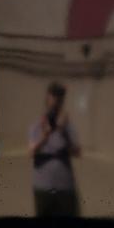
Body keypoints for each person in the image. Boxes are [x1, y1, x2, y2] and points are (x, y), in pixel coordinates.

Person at [28, 81, 80, 217]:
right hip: (43, 187)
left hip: (65, 186)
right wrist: (44, 137)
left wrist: (64, 132)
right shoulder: (36, 126)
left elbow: (77, 152)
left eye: (60, 98)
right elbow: (31, 152)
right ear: (47, 99)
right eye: (54, 97)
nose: (57, 101)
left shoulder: (68, 127)